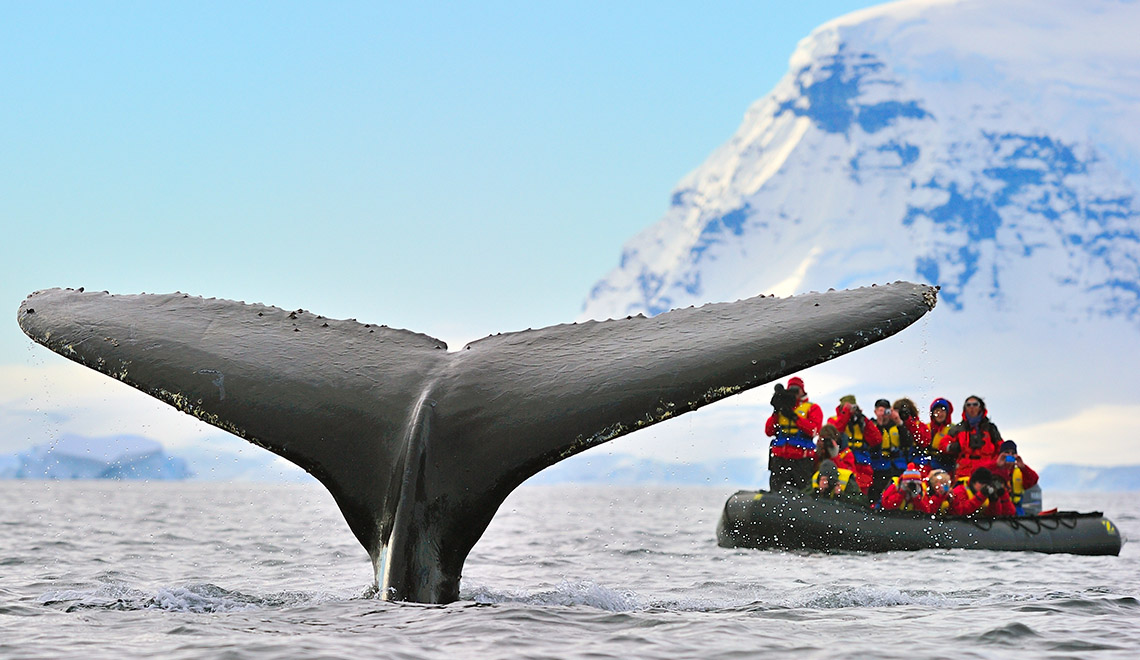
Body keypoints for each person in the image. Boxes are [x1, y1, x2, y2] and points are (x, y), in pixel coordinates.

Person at [765, 376, 823, 491]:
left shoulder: (812, 408)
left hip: (801, 460)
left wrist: (794, 417)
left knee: (803, 492)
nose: (795, 393)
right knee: (776, 491)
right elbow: (769, 431)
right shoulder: (782, 408)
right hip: (779, 459)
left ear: (803, 390)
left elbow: (814, 430)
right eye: (791, 389)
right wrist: (776, 411)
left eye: (796, 389)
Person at [827, 395, 882, 497]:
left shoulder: (862, 422)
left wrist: (864, 420)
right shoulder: (833, 420)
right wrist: (845, 414)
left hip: (862, 465)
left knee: (862, 495)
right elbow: (836, 431)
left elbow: (876, 440)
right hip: (843, 462)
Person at [944, 395, 1003, 483]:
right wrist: (952, 447)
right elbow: (943, 444)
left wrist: (994, 463)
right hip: (964, 471)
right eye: (968, 405)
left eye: (975, 404)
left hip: (986, 469)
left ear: (980, 407)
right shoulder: (958, 429)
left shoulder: (990, 428)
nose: (972, 407)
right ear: (965, 408)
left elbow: (1000, 447)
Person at [870, 398, 912, 505]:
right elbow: (873, 445)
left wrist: (899, 422)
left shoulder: (897, 426)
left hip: (897, 466)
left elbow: (907, 442)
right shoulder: (872, 426)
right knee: (877, 492)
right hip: (878, 466)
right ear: (875, 412)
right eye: (881, 410)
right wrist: (879, 425)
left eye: (886, 411)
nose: (884, 414)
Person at [989, 440, 1040, 515]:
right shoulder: (993, 470)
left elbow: (1034, 479)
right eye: (1007, 452)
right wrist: (996, 464)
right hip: (998, 508)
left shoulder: (1020, 472)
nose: (1010, 455)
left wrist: (1024, 468)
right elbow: (978, 474)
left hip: (1017, 509)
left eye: (1013, 453)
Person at [947, 467, 1015, 516]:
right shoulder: (960, 491)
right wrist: (981, 495)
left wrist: (994, 501)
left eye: (987, 483)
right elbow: (961, 512)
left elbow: (1001, 514)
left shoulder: (988, 492)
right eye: (981, 483)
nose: (984, 486)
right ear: (973, 482)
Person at [894, 398, 932, 471]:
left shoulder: (920, 426)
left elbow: (924, 442)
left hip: (917, 464)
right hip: (897, 464)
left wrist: (909, 422)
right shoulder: (891, 426)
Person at [927, 398, 957, 473]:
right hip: (929, 464)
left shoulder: (953, 429)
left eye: (943, 410)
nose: (939, 414)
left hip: (947, 465)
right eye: (937, 411)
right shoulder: (927, 428)